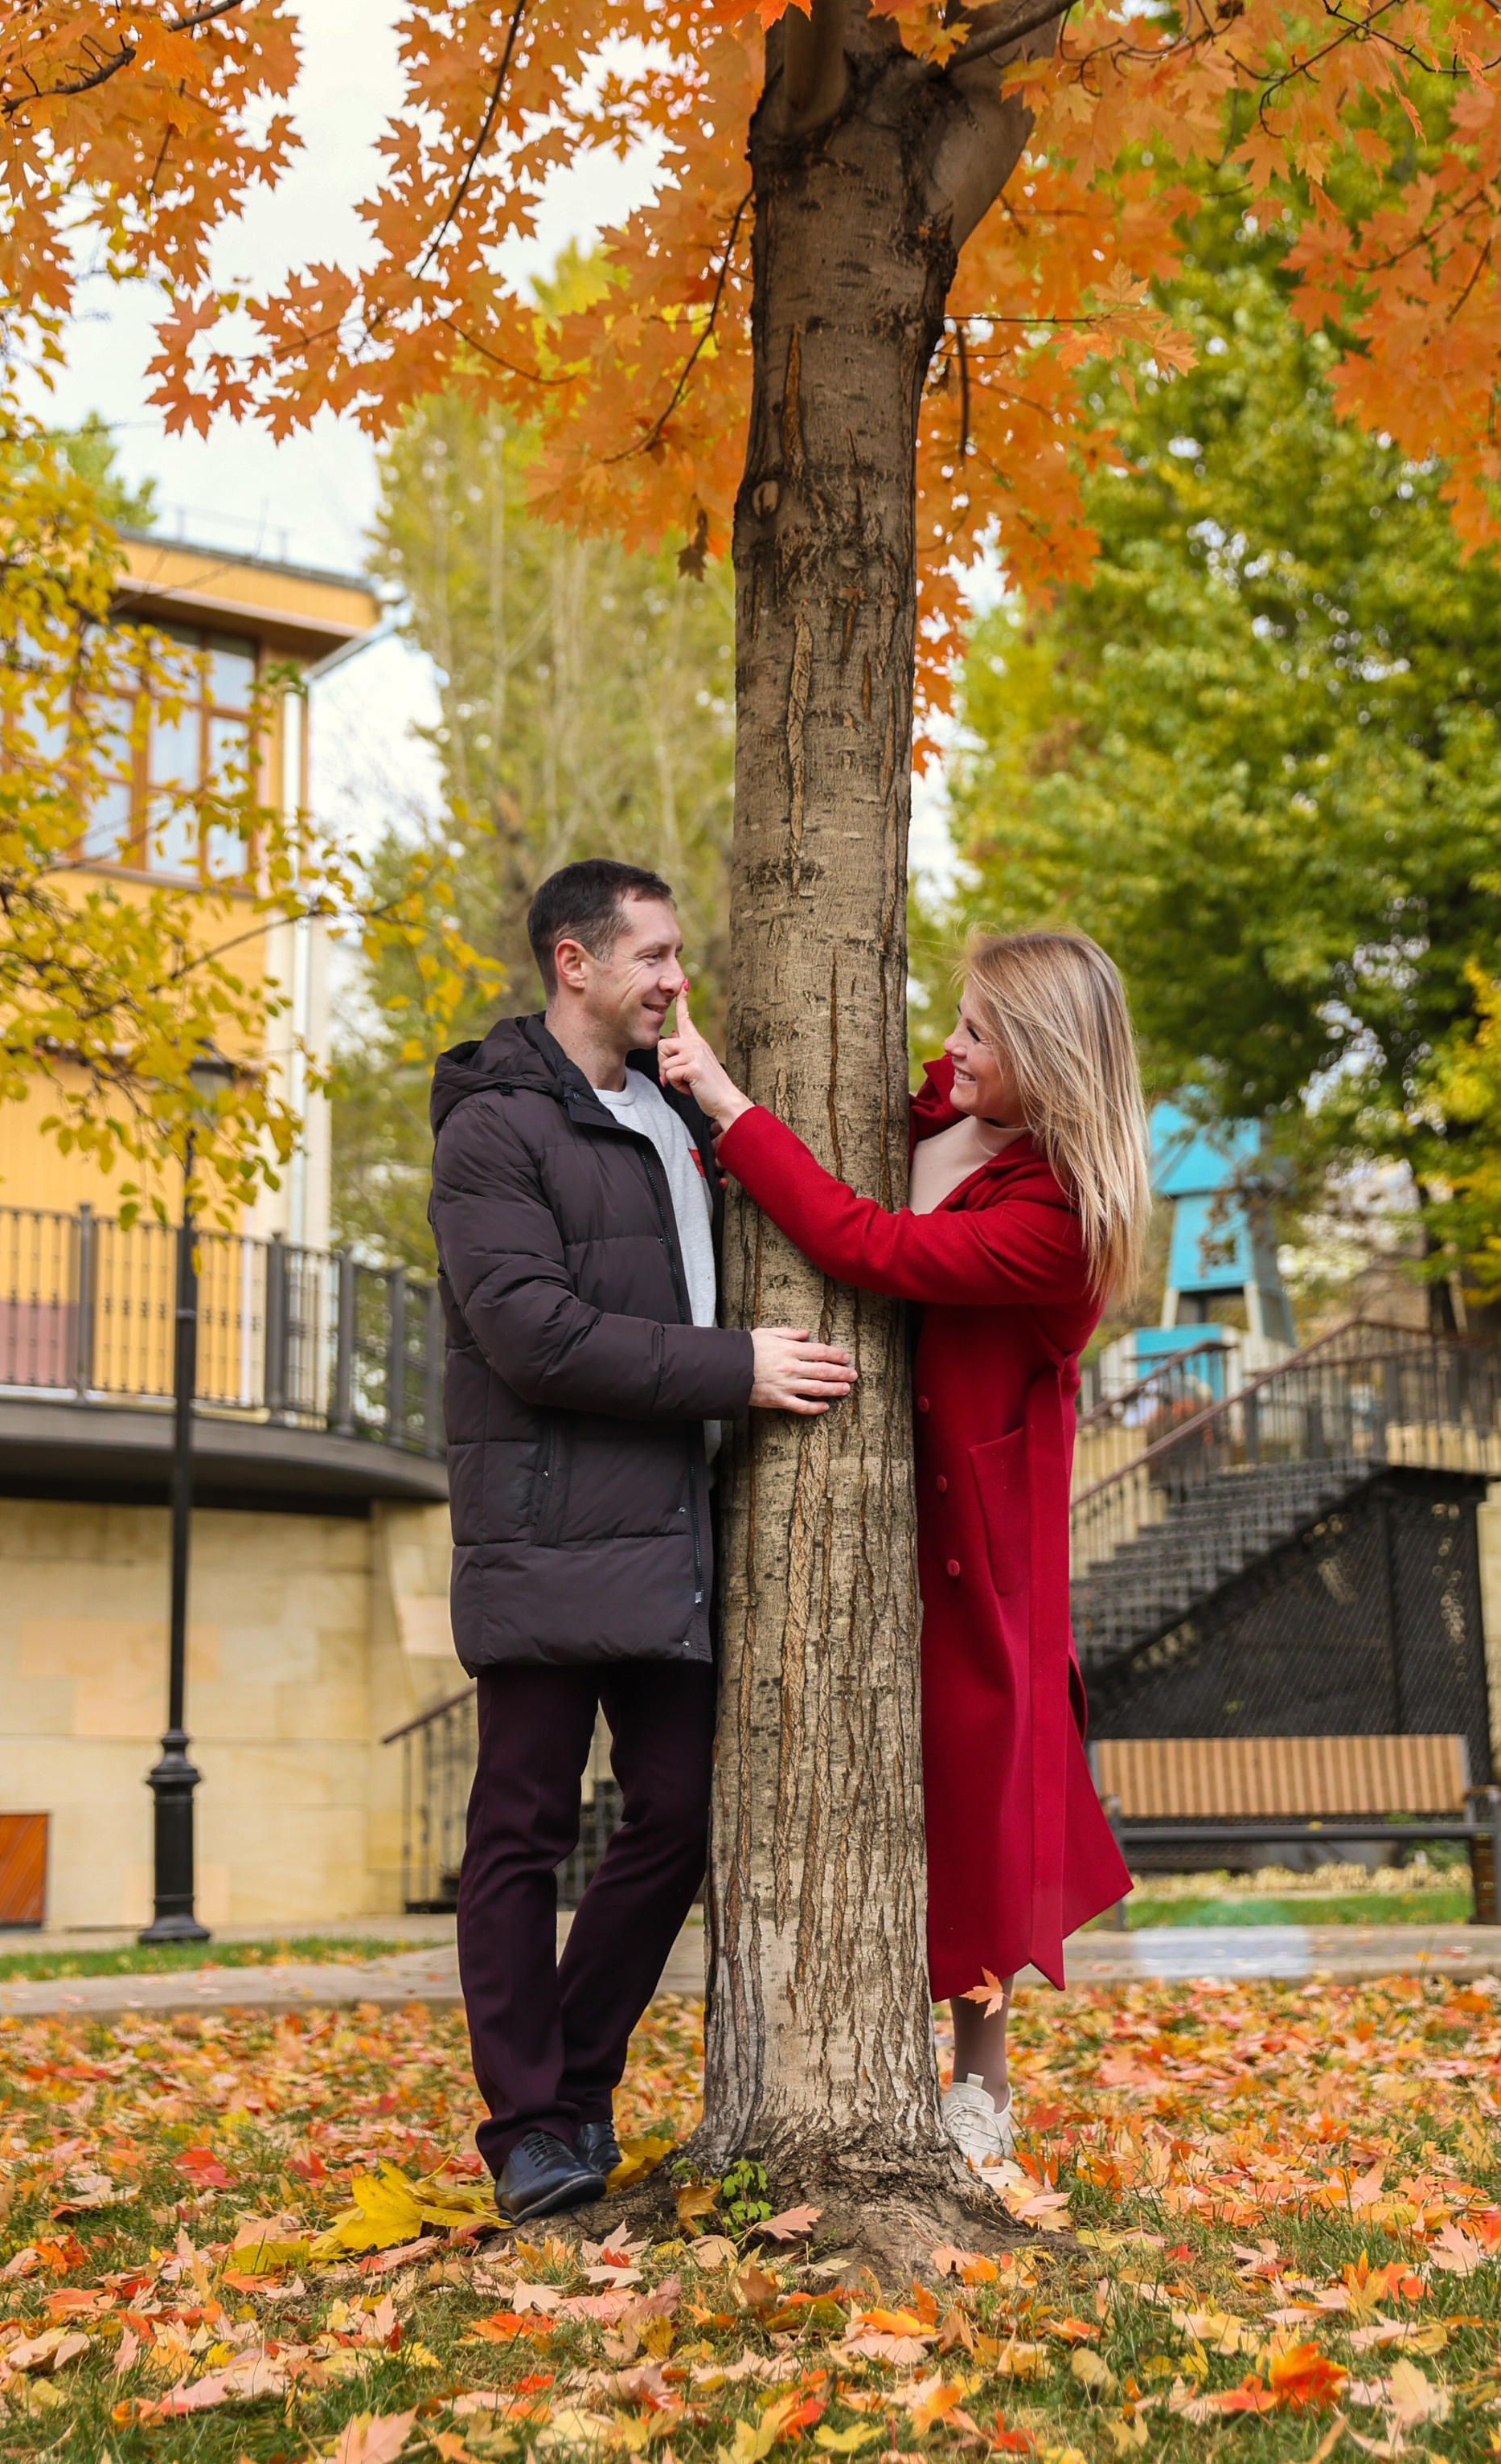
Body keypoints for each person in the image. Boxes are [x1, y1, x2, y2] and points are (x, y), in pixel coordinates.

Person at [660, 929, 1146, 2169]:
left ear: (1044, 1057)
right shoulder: (939, 1110)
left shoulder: (1060, 1217)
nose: (950, 1047)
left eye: (980, 1032)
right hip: (882, 1488)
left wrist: (724, 1101)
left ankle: (980, 2079)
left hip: (979, 1530)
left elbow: (868, 1247)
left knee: (982, 1792)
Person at [428, 859, 856, 2223]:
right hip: (549, 1524)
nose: (678, 980)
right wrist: (733, 1369)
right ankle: (528, 2130)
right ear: (575, 962)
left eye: (678, 957)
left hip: (670, 1529)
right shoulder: (493, 1129)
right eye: (655, 956)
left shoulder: (674, 1113)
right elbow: (532, 1335)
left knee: (677, 1813)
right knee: (521, 1828)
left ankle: (579, 2075)